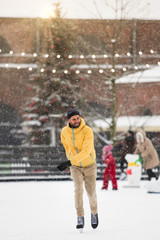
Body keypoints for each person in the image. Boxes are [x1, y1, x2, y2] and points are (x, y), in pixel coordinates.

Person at [57, 108, 98, 230]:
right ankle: (80, 216)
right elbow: (67, 147)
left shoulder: (87, 131)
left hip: (89, 165)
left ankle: (94, 213)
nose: (77, 121)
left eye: (78, 118)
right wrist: (70, 159)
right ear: (69, 120)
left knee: (90, 192)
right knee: (78, 190)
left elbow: (86, 151)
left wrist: (69, 161)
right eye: (74, 119)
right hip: (75, 167)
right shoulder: (64, 132)